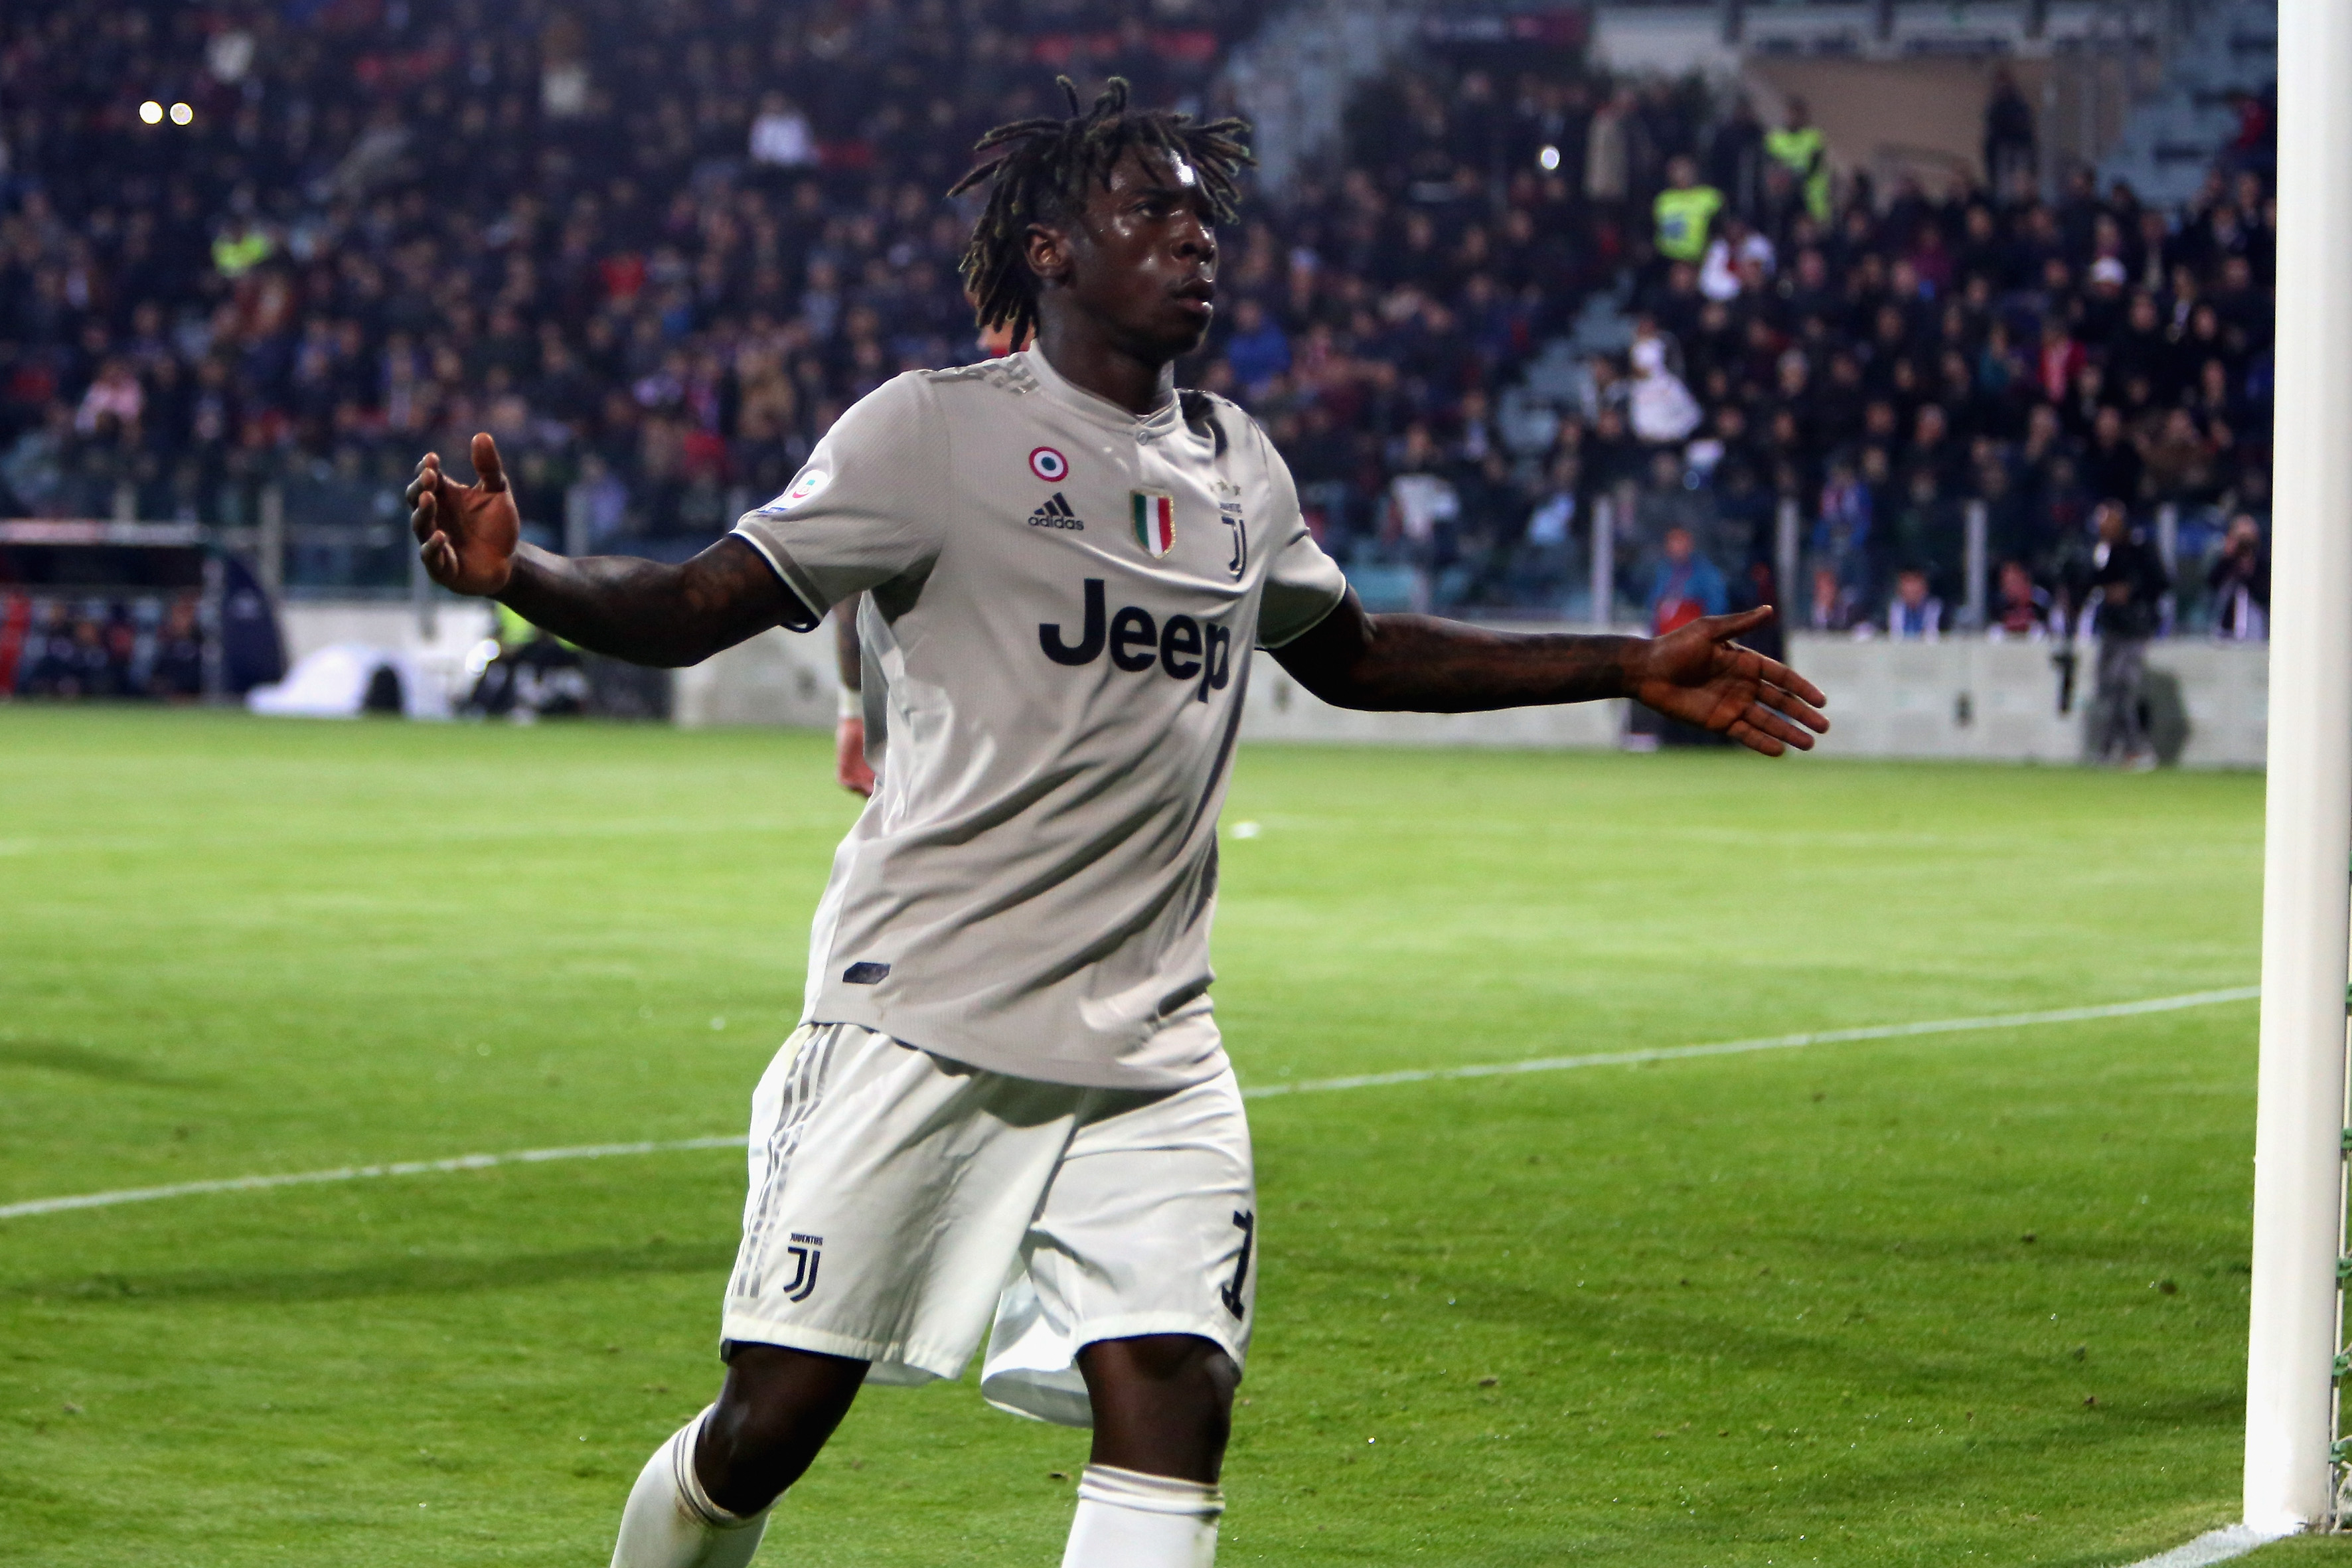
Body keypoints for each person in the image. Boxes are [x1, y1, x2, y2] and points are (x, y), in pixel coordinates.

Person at [405, 78, 1830, 1568]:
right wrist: (523, 576)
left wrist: (1623, 664)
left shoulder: (1236, 465)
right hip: (924, 1013)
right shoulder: (928, 433)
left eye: (1202, 215)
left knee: (1174, 1390)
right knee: (771, 1422)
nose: (1193, 237)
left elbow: (1353, 654)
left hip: (1151, 1043)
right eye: (1150, 210)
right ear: (1050, 252)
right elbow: (696, 603)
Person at [2078, 500, 2170, 767]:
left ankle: (2133, 748)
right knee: (2109, 689)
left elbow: (2162, 582)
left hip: (2135, 628)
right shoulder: (2104, 551)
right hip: (2113, 627)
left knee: (2123, 686)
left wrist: (2132, 591)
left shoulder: (2140, 548)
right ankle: (2112, 748)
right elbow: (2092, 582)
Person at [1645, 524, 1727, 635]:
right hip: (1665, 636)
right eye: (1672, 541)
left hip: (1694, 635)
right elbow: (1654, 604)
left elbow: (1717, 608)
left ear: (1690, 544)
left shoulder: (1706, 573)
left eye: (1680, 541)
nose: (1676, 546)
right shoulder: (1663, 571)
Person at [2205, 512, 2268, 641]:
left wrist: (2251, 566)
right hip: (2225, 623)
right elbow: (2211, 584)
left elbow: (2264, 592)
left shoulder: (2262, 561)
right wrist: (2228, 557)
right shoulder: (2226, 560)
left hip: (2255, 624)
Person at [1883, 567, 1943, 641]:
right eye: (1908, 582)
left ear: (1925, 587)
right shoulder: (1891, 609)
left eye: (1915, 582)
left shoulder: (1937, 608)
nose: (1912, 588)